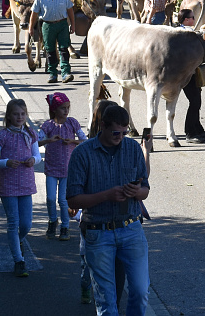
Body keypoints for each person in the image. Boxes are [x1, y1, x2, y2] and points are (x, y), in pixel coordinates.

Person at [67, 104, 150, 316]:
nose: (120, 137)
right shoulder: (82, 153)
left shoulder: (132, 149)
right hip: (98, 232)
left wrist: (135, 192)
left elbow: (145, 189)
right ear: (102, 126)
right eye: (115, 132)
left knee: (140, 292)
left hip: (131, 228)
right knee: (107, 301)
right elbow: (73, 199)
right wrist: (107, 195)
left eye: (124, 133)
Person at [0, 99, 40, 277]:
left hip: (26, 183)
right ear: (9, 115)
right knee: (13, 223)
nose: (19, 117)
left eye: (23, 114)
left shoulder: (30, 133)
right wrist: (6, 162)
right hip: (8, 185)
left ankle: (18, 242)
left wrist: (34, 160)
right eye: (16, 114)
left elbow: (37, 156)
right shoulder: (3, 135)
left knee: (26, 224)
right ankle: (19, 261)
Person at [39, 92, 85, 243]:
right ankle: (53, 221)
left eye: (67, 108)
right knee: (51, 198)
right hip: (52, 168)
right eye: (62, 108)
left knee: (63, 200)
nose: (66, 111)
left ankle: (65, 226)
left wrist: (72, 141)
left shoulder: (72, 123)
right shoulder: (48, 125)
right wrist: (49, 140)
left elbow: (84, 140)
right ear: (54, 110)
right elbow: (36, 143)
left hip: (68, 170)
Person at [176, 9, 205, 144]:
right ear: (186, 20)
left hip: (192, 72)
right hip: (186, 74)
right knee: (194, 101)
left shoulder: (188, 31)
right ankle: (190, 133)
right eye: (192, 17)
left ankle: (198, 129)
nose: (194, 19)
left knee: (197, 100)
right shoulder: (184, 33)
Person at [30, 0, 76, 84]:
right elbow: (34, 14)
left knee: (64, 49)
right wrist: (31, 28)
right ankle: (53, 74)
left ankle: (65, 73)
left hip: (62, 24)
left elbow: (70, 10)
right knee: (50, 51)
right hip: (47, 25)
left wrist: (73, 25)